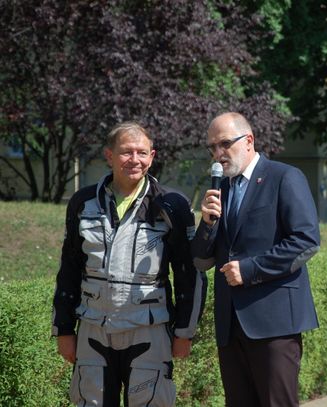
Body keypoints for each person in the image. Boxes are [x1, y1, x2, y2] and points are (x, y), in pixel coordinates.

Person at [52, 121, 206, 406]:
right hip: (93, 329)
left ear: (152, 156)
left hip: (149, 330)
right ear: (109, 156)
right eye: (126, 152)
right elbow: (69, 269)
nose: (134, 160)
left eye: (142, 152)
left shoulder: (172, 205)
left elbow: (189, 272)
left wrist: (185, 332)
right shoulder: (83, 202)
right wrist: (63, 329)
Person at [192, 112, 320, 407]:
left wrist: (249, 270)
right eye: (212, 147)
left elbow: (306, 241)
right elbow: (200, 261)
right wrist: (208, 223)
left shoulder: (284, 177)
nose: (217, 154)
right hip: (230, 324)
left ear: (248, 140)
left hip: (274, 323)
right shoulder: (219, 189)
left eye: (224, 144)